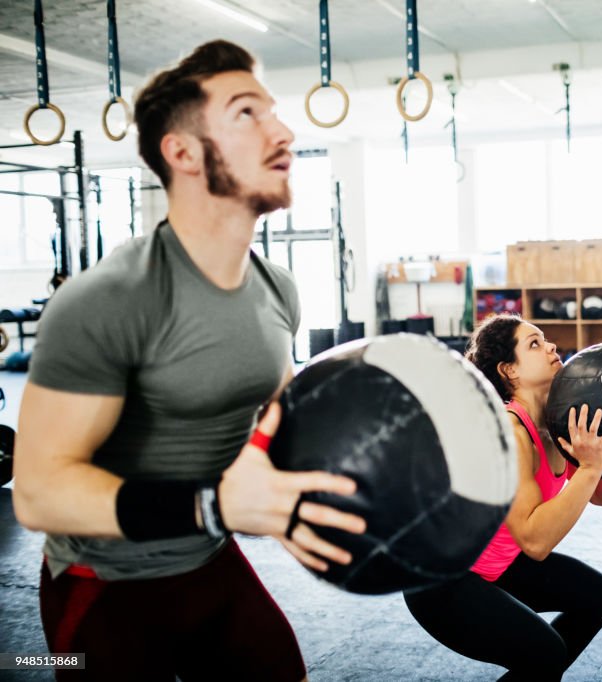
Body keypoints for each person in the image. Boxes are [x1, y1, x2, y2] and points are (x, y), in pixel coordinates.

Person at [12, 40, 366, 681]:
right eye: (246, 114)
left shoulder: (276, 288)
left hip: (208, 562)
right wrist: (213, 506)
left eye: (274, 112)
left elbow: (281, 426)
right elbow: (38, 493)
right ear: (182, 152)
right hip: (105, 584)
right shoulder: (110, 300)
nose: (282, 130)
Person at [403, 313, 602, 680]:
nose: (550, 346)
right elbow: (535, 541)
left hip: (496, 565)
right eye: (534, 343)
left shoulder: (557, 423)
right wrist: (588, 468)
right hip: (442, 579)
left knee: (596, 598)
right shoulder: (507, 431)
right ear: (509, 371)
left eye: (545, 339)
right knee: (545, 653)